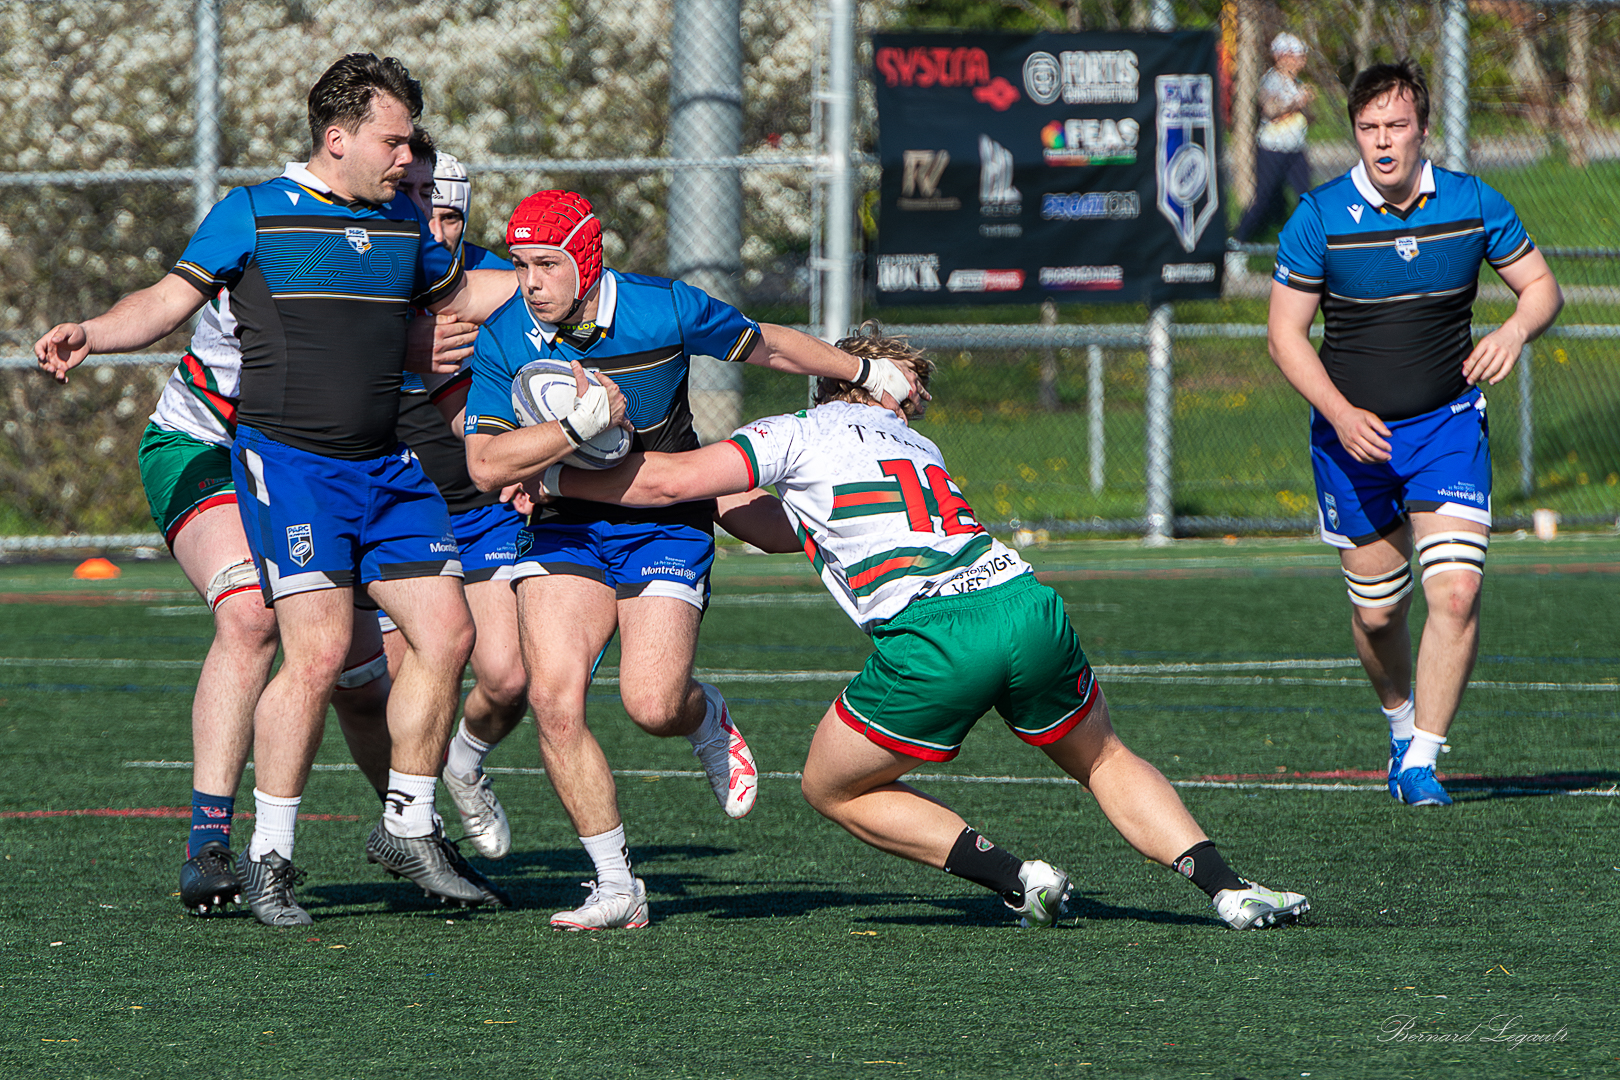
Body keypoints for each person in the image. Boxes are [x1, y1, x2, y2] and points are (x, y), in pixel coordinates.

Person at [533, 324, 1309, 931]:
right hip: (1022, 601)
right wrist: (713, 492)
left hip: (934, 632)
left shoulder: (801, 430)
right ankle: (1228, 888)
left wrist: (550, 472)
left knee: (831, 787)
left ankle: (1016, 878)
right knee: (1104, 757)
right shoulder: (915, 441)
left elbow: (672, 482)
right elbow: (776, 527)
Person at [36, 53, 513, 925]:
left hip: (354, 458)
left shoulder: (397, 227)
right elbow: (162, 303)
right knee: (260, 619)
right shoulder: (256, 216)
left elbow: (452, 311)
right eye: (396, 143)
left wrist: (584, 293)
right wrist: (93, 334)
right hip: (214, 441)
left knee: (389, 666)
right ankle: (218, 843)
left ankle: (408, 822)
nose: (411, 164)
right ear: (339, 140)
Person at [462, 190, 920, 930]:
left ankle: (705, 718)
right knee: (553, 698)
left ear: (585, 258)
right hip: (563, 523)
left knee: (652, 704)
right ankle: (616, 885)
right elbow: (485, 465)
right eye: (518, 266)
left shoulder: (663, 308)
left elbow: (765, 342)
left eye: (546, 265)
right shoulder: (506, 335)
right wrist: (574, 426)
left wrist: (867, 375)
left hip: (664, 519)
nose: (530, 283)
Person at [1267, 60, 1563, 806]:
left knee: (1456, 592)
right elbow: (1285, 334)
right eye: (1368, 129)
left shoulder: (1471, 201)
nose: (1383, 142)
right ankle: (1400, 722)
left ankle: (1423, 761)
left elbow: (1541, 287)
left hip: (1448, 425)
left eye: (1396, 126)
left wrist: (1517, 330)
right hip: (1353, 442)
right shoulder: (1320, 216)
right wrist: (1339, 412)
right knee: (1377, 613)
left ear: (1422, 129)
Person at [386, 132, 526, 859]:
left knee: (508, 677)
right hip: (394, 505)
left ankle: (465, 762)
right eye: (422, 210)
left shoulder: (496, 286)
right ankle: (411, 828)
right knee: (395, 682)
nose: (434, 232)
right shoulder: (366, 270)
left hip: (476, 503)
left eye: (450, 220)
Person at [1232, 33, 1315, 269]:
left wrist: (1307, 110)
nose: (1302, 61)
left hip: (1295, 149)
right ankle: (1236, 247)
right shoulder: (1272, 80)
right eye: (1298, 56)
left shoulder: (1295, 83)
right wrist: (1298, 101)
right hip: (1273, 149)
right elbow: (1269, 110)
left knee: (1306, 198)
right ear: (1282, 57)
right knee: (1263, 201)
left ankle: (1307, 253)